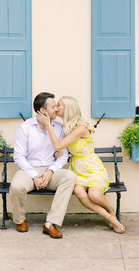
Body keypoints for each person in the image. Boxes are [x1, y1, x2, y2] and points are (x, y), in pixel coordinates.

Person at [36, 96, 125, 234]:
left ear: (68, 109)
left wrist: (48, 125)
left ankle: (111, 212)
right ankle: (110, 218)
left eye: (59, 105)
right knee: (79, 192)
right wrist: (59, 153)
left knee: (94, 195)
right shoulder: (65, 128)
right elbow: (61, 148)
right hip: (77, 169)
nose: (56, 107)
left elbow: (57, 145)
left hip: (91, 168)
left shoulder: (80, 128)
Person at [10, 92, 77, 239]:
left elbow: (63, 155)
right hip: (29, 170)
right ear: (42, 111)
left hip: (50, 170)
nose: (56, 110)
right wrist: (34, 176)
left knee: (70, 177)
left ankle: (50, 223)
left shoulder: (59, 128)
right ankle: (20, 220)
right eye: (53, 107)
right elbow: (19, 157)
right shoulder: (25, 128)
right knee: (16, 187)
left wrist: (50, 171)